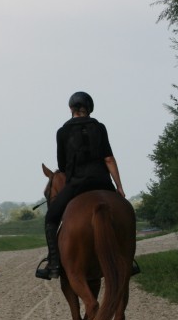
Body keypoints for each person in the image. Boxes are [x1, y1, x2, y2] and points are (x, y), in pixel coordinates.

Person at [35, 91, 128, 280]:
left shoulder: (62, 132)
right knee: (125, 213)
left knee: (51, 219)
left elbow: (62, 166)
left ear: (71, 109)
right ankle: (128, 260)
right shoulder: (100, 127)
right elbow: (108, 159)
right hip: (103, 182)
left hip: (76, 184)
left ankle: (53, 264)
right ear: (89, 109)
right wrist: (119, 186)